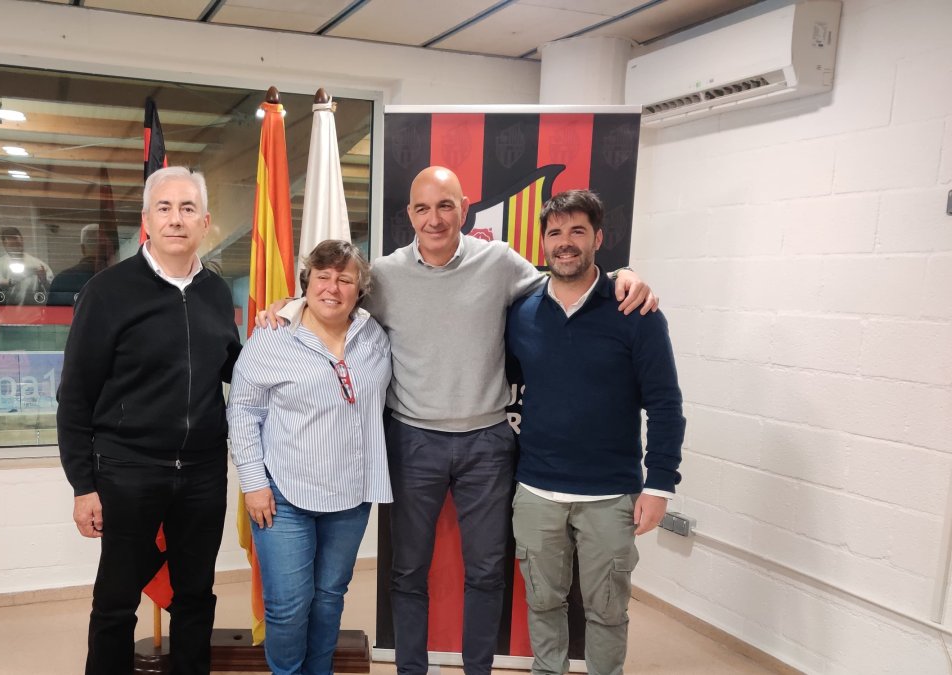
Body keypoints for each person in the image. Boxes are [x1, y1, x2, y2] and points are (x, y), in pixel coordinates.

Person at [260, 166, 656, 675]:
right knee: (407, 572)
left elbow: (568, 281)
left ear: (463, 208)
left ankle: (477, 671)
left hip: (488, 443)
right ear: (409, 215)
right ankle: (410, 670)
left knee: (488, 572)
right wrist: (288, 306)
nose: (434, 218)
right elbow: (333, 300)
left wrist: (622, 275)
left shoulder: (499, 262)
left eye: (445, 205)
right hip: (411, 439)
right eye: (423, 208)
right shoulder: (384, 274)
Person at [57, 166, 241, 675]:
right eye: (164, 208)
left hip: (203, 472)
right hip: (127, 470)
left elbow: (235, 368)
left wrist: (287, 324)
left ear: (204, 222)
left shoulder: (216, 292)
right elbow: (74, 396)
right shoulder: (107, 291)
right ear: (146, 220)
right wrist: (82, 485)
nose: (175, 219)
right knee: (116, 602)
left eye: (187, 209)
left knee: (195, 598)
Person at [506, 190, 684, 675]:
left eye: (577, 231)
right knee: (543, 605)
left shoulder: (635, 313)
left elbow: (665, 404)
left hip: (611, 493)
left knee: (607, 612)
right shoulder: (521, 313)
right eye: (556, 232)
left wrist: (659, 485)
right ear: (543, 241)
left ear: (598, 238)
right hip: (536, 488)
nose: (565, 243)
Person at [228, 239, 393, 675]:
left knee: (328, 599)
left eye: (345, 279)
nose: (332, 288)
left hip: (352, 495)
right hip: (282, 496)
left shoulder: (373, 335)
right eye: (322, 277)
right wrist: (253, 483)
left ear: (360, 288)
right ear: (308, 282)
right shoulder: (272, 336)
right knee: (287, 607)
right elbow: (242, 411)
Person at [0, 226, 53, 303]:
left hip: (34, 313)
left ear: (22, 239)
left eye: (16, 239)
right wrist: (16, 278)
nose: (15, 246)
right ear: (4, 243)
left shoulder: (38, 264)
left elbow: (52, 290)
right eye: (11, 243)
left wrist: (43, 280)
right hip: (7, 312)